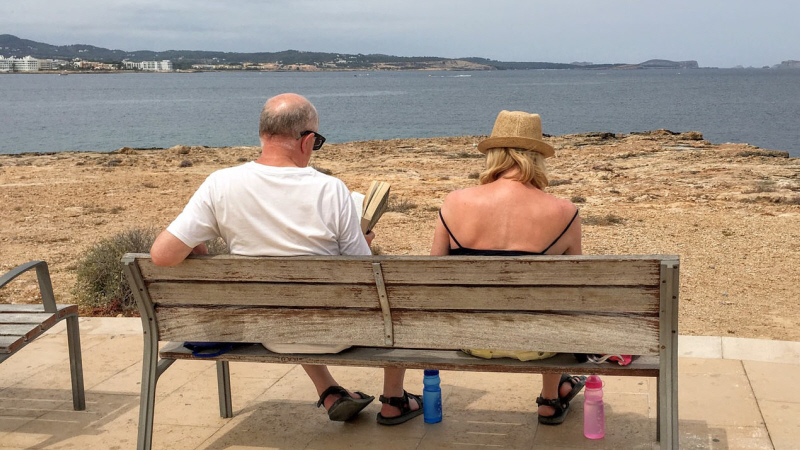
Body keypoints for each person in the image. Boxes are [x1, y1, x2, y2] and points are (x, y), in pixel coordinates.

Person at [150, 93, 421, 425]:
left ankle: (328, 390)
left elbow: (162, 255)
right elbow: (363, 273)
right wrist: (362, 240)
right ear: (307, 141)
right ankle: (394, 400)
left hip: (267, 332)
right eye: (316, 142)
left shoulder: (219, 185)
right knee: (394, 293)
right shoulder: (331, 190)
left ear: (263, 135)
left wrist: (200, 247)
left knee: (288, 291)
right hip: (339, 333)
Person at [430, 110, 586, 425]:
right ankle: (550, 399)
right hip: (538, 346)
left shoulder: (454, 202)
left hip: (472, 340)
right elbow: (575, 292)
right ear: (537, 157)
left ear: (494, 154)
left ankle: (555, 392)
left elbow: (433, 278)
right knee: (555, 302)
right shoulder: (565, 212)